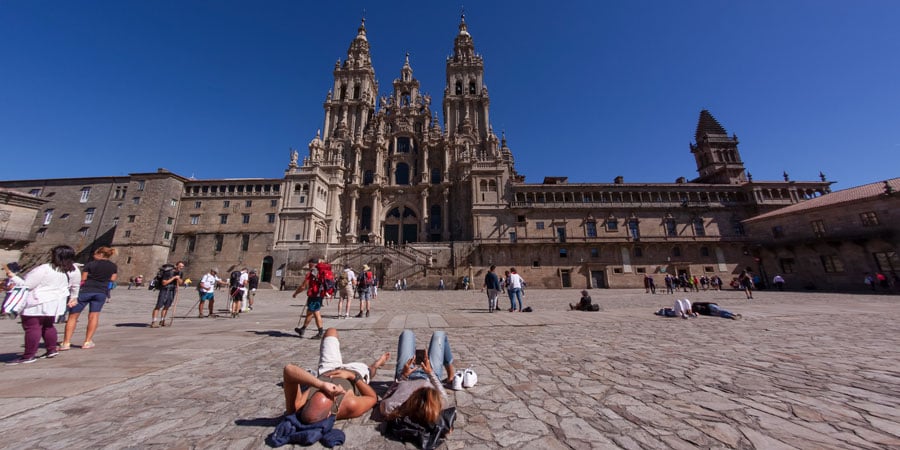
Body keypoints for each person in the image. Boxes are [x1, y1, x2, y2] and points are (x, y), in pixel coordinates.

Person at [282, 328, 388, 421]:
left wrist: (321, 385)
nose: (329, 390)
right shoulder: (349, 405)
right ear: (329, 413)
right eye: (330, 395)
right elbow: (372, 397)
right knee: (369, 371)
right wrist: (352, 376)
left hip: (328, 369)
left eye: (318, 393)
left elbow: (288, 369)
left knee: (331, 331)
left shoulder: (299, 406)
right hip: (353, 373)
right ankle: (377, 364)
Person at [6, 245, 80, 364]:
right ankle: (51, 349)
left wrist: (13, 277)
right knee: (48, 325)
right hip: (57, 302)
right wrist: (74, 297)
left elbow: (28, 285)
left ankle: (29, 355)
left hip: (38, 301)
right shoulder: (73, 269)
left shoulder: (45, 268)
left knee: (32, 327)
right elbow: (75, 285)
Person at [380, 329, 454, 424]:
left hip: (406, 375)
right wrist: (430, 372)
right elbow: (443, 395)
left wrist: (403, 376)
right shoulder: (435, 406)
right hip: (430, 376)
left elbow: (385, 398)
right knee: (439, 335)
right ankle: (450, 375)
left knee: (406, 333)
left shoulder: (393, 407)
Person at [61, 246, 117, 350]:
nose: (93, 255)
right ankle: (87, 341)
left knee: (73, 317)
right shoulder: (113, 266)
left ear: (100, 254)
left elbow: (83, 279)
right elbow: (112, 280)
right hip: (101, 292)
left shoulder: (90, 264)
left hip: (86, 291)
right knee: (94, 316)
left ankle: (66, 342)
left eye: (95, 254)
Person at [293, 259, 326, 339]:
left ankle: (320, 332)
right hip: (319, 295)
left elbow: (303, 286)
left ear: (311, 264)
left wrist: (296, 293)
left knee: (316, 312)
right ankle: (303, 329)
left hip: (314, 295)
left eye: (309, 264)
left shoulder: (311, 273)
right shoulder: (320, 272)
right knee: (309, 312)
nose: (308, 266)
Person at [150, 261, 184, 328]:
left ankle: (162, 321)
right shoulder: (168, 272)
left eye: (182, 266)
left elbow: (180, 283)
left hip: (172, 290)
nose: (181, 268)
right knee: (158, 306)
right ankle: (154, 322)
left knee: (167, 306)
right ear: (176, 265)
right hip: (165, 290)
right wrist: (174, 278)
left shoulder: (180, 273)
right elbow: (164, 283)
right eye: (180, 266)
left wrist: (178, 278)